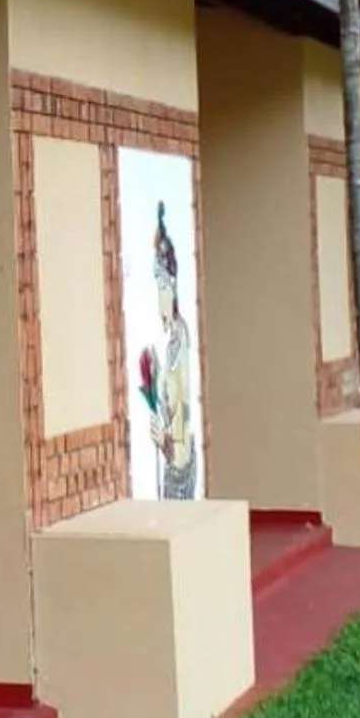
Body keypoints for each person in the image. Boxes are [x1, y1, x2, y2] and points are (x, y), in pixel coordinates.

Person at [148, 202, 198, 499]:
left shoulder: (179, 340)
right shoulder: (172, 342)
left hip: (179, 466)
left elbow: (181, 417)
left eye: (161, 287)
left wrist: (165, 441)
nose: (158, 297)